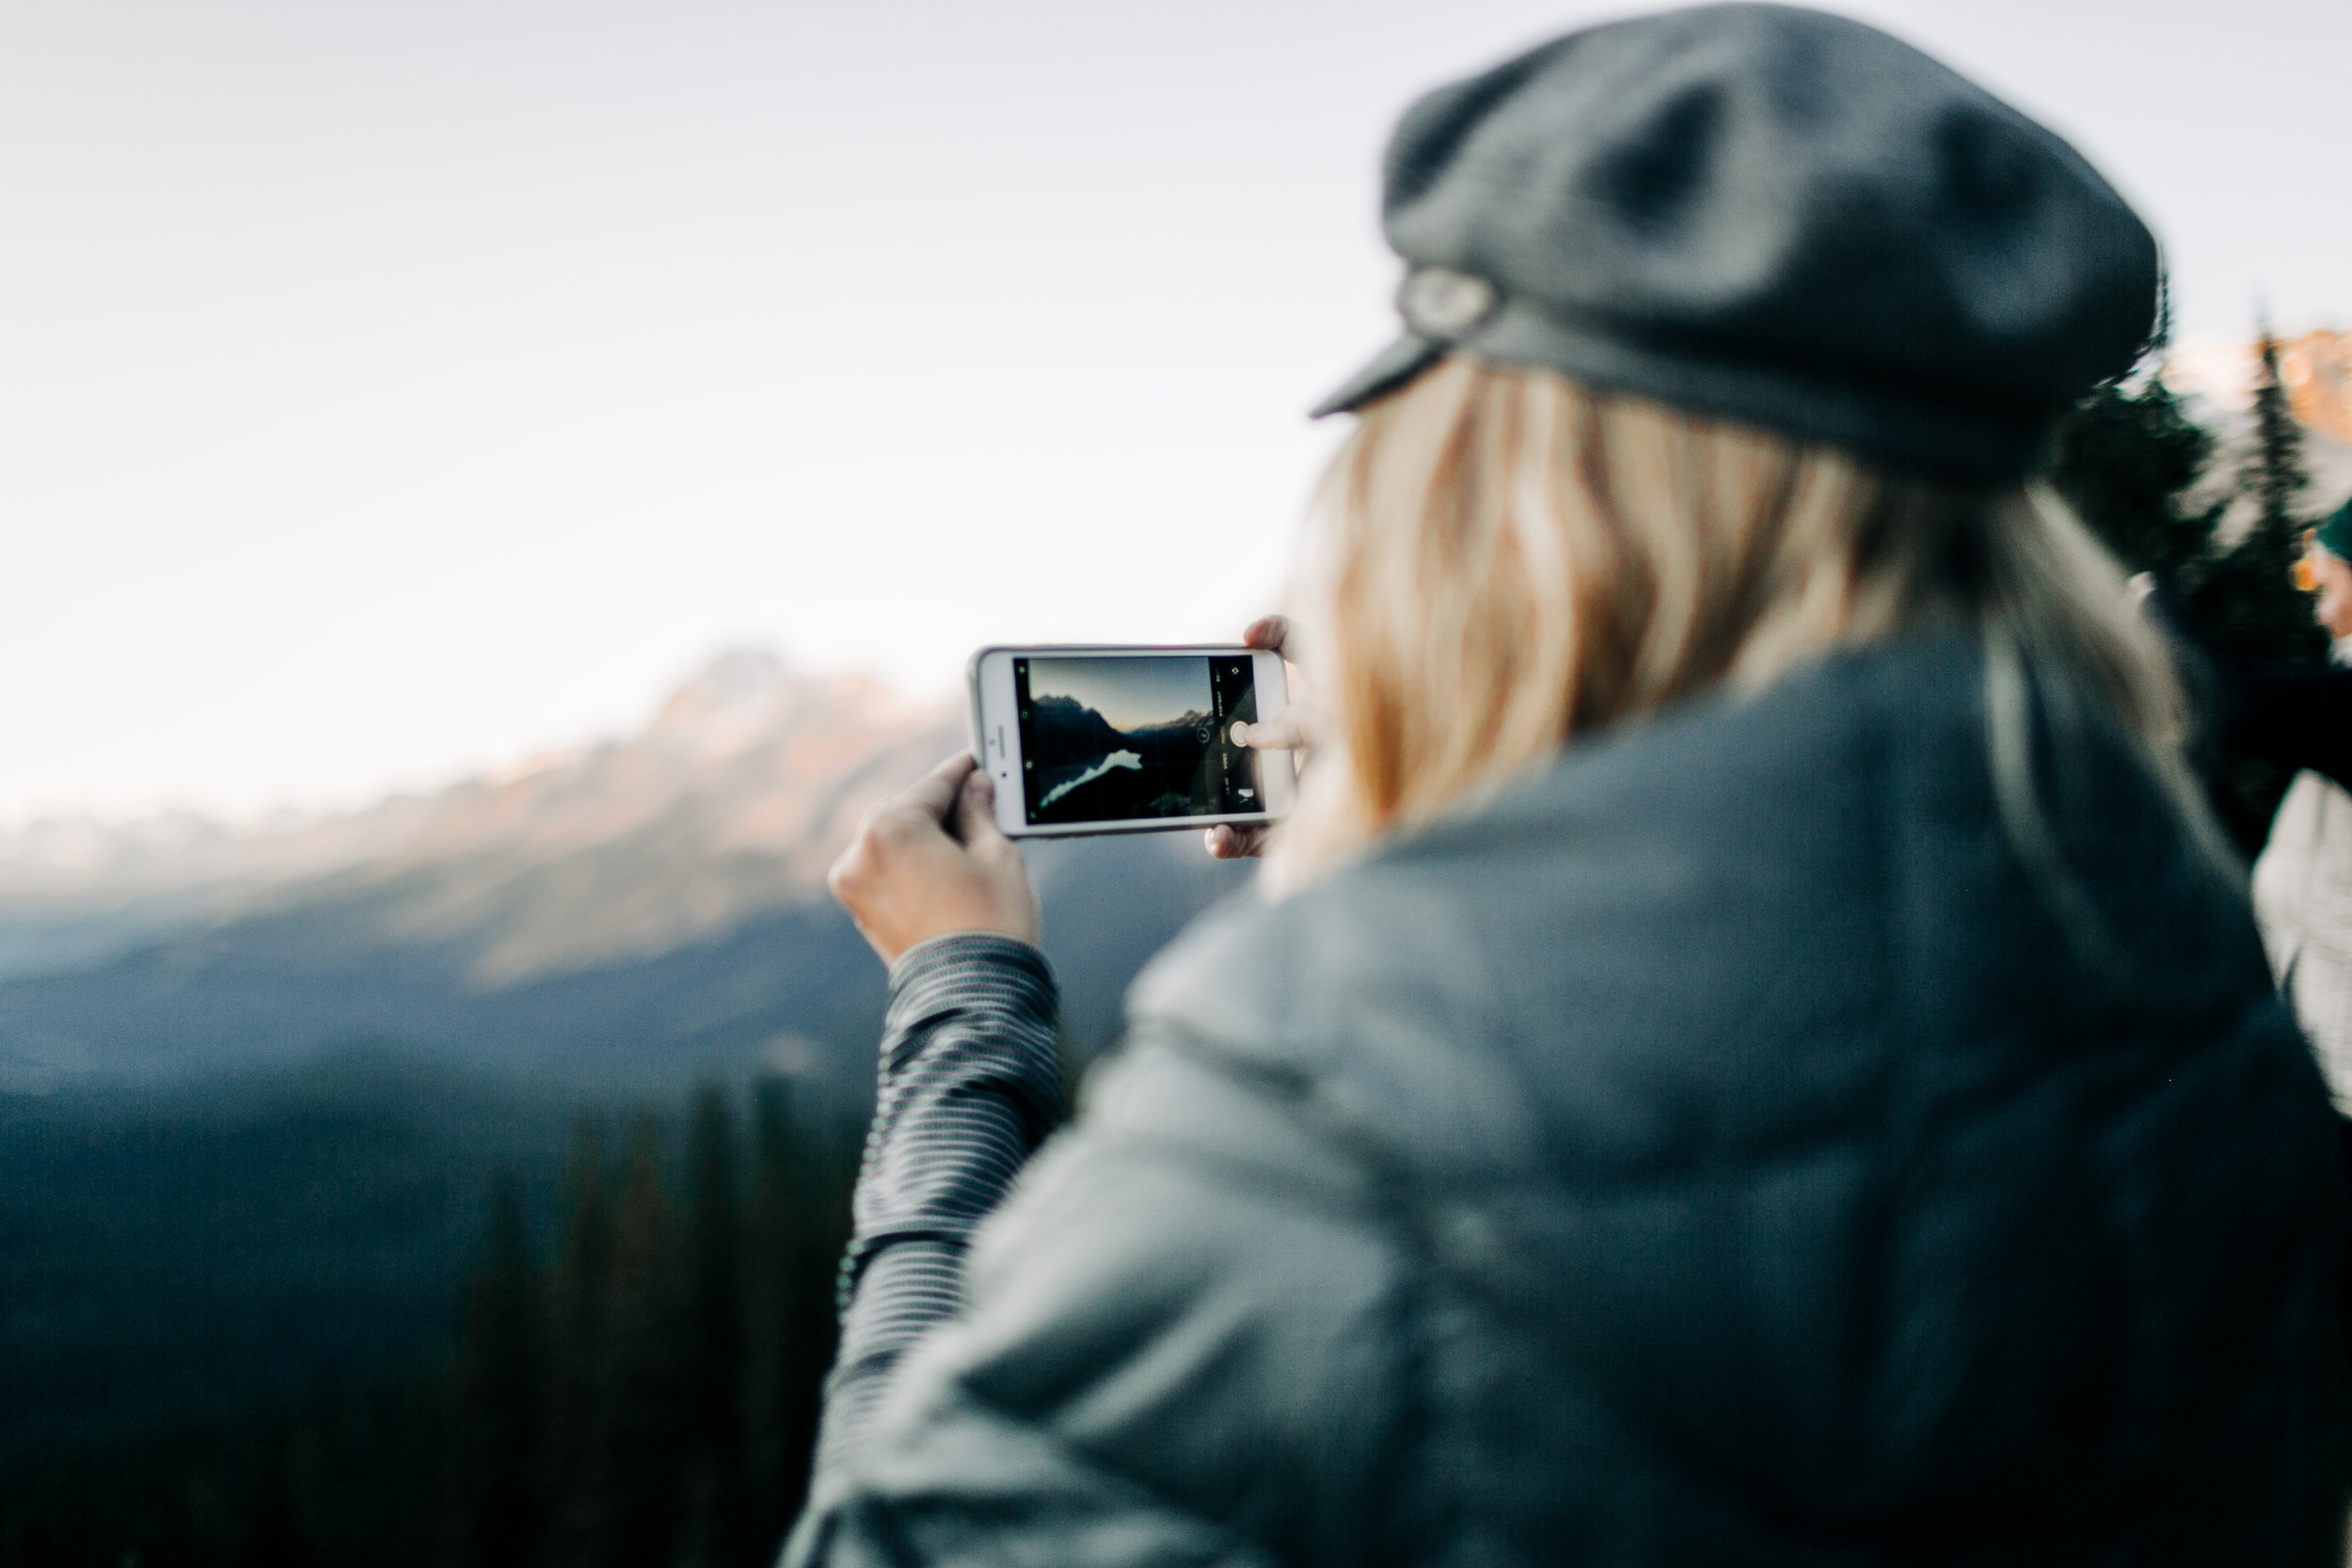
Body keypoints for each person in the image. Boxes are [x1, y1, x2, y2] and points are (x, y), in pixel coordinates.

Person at [789, 8, 2348, 1563]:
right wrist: (1421, 825)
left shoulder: (1334, 1117)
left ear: (1519, 501)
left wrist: (959, 995)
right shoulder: (2194, 994)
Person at [2255, 498, 2352, 1106]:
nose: (2320, 611)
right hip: (2325, 1039)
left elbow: (2229, 702)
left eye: (2329, 584)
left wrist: (2149, 607)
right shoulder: (2340, 686)